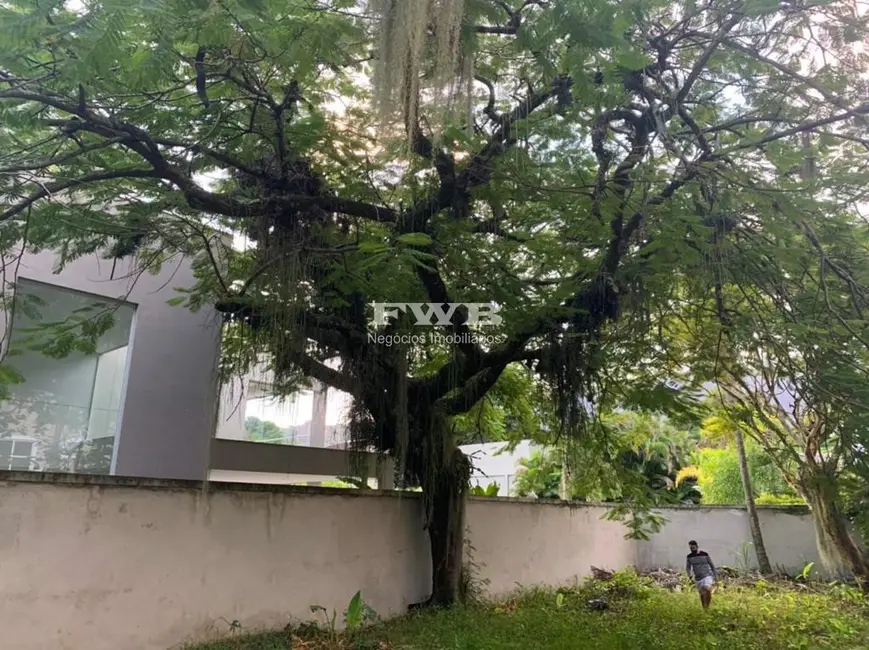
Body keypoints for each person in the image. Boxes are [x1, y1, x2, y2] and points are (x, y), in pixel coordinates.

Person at [686, 540, 717, 609]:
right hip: (698, 578)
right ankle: (704, 608)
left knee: (706, 589)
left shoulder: (705, 554)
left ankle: (707, 607)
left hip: (707, 576)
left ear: (697, 547)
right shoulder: (689, 557)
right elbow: (688, 567)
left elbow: (712, 565)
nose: (692, 550)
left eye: (693, 548)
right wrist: (689, 575)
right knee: (702, 594)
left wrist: (715, 576)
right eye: (691, 548)